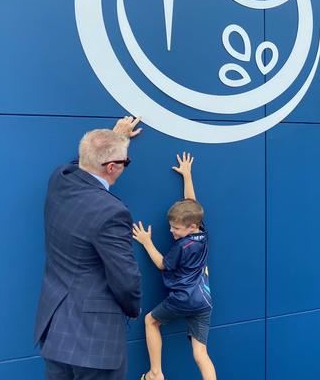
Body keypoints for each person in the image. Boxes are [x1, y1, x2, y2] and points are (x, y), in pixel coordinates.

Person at [34, 116, 144, 380]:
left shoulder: (59, 180)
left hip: (56, 334)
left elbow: (82, 163)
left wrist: (116, 138)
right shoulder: (112, 212)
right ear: (112, 168)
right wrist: (133, 308)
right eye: (124, 163)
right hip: (95, 343)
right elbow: (127, 280)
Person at [132, 152, 216, 380]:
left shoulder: (182, 246)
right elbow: (192, 203)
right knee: (200, 353)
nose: (171, 231)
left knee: (151, 320)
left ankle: (155, 373)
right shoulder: (202, 234)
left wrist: (147, 241)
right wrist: (187, 176)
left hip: (183, 299)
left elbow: (161, 264)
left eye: (175, 229)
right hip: (204, 301)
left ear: (190, 227)